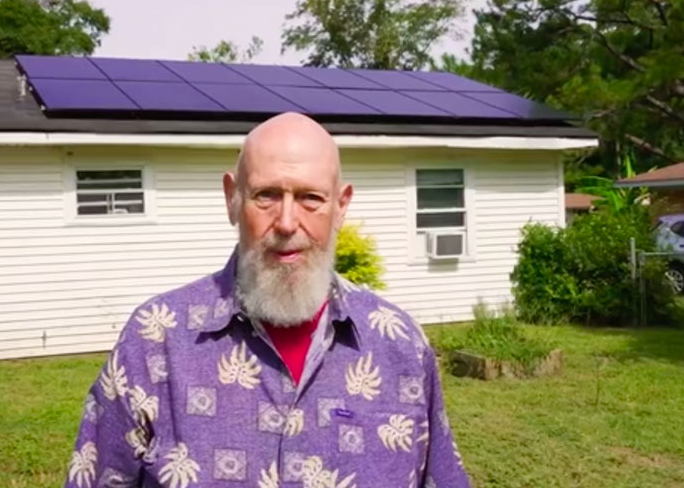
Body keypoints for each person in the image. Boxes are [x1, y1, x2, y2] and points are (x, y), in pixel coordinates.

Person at [65, 112, 470, 488]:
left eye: (311, 197)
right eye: (267, 195)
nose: (288, 222)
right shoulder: (155, 341)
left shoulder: (400, 346)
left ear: (341, 206)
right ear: (233, 198)